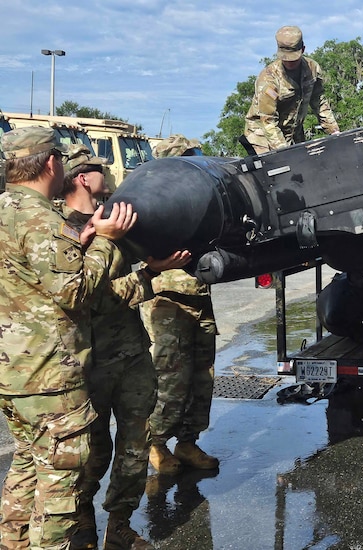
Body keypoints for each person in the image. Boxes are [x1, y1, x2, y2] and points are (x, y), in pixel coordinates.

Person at [0, 126, 136, 549]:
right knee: (60, 488)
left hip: (14, 374)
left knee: (25, 475)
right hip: (50, 379)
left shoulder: (5, 209)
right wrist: (105, 244)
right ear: (51, 163)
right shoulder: (40, 217)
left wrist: (83, 239)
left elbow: (31, 278)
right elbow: (73, 291)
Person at [60, 144, 190, 550]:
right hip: (90, 360)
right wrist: (151, 275)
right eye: (101, 168)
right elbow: (91, 297)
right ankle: (81, 525)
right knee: (91, 452)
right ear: (83, 177)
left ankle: (118, 527)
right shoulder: (64, 230)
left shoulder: (115, 219)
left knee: (134, 447)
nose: (110, 175)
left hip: (131, 355)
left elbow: (148, 246)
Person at [143, 135, 220, 476]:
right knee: (171, 379)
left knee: (203, 376)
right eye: (190, 158)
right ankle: (155, 443)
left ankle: (187, 441)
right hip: (168, 299)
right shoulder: (156, 202)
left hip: (200, 296)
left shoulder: (201, 202)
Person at [244, 25, 340, 154]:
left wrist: (334, 131)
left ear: (303, 49)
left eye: (293, 58)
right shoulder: (268, 80)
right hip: (264, 135)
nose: (289, 62)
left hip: (293, 131)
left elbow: (319, 101)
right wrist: (284, 151)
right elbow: (267, 120)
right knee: (278, 168)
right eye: (285, 58)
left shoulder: (312, 69)